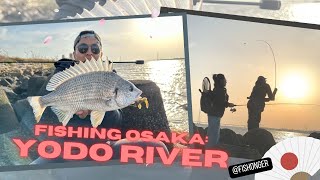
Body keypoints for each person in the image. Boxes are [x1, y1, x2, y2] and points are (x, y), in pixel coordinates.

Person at [31, 30, 168, 164]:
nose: (89, 52)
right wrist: (73, 114)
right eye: (83, 48)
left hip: (103, 149)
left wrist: (97, 110)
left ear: (101, 53)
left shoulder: (112, 78)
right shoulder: (59, 77)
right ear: (75, 54)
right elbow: (43, 120)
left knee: (158, 149)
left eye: (95, 48)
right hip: (63, 151)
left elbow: (115, 123)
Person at [206, 74, 235, 148]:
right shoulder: (220, 90)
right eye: (225, 80)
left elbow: (220, 101)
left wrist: (228, 104)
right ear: (221, 81)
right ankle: (210, 149)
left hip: (214, 114)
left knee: (212, 133)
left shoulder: (218, 89)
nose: (226, 81)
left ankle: (209, 148)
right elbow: (220, 102)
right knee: (214, 134)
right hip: (214, 114)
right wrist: (229, 104)